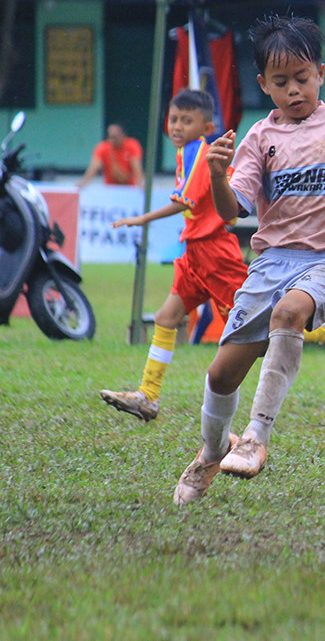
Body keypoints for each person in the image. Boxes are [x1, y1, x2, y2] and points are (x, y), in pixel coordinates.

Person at [173, 15, 325, 505]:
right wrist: (218, 174)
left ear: (321, 73)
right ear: (263, 84)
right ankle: (212, 451)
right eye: (281, 81)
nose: (293, 90)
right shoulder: (259, 138)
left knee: (290, 313)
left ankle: (256, 437)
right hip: (270, 264)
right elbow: (232, 211)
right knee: (221, 375)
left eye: (302, 78)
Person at [98, 89, 248, 423]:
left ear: (206, 127)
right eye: (174, 119)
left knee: (254, 327)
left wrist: (142, 218)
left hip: (215, 254)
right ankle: (148, 396)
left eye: (186, 120)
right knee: (166, 317)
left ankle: (323, 332)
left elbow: (183, 202)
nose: (177, 126)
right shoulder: (186, 152)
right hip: (195, 252)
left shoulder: (200, 153)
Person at [76, 123, 145, 189]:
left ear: (122, 135)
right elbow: (94, 166)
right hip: (110, 187)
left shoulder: (132, 145)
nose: (112, 140)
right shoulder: (103, 147)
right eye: (110, 136)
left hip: (129, 187)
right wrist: (84, 181)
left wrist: (141, 181)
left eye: (115, 137)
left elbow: (136, 166)